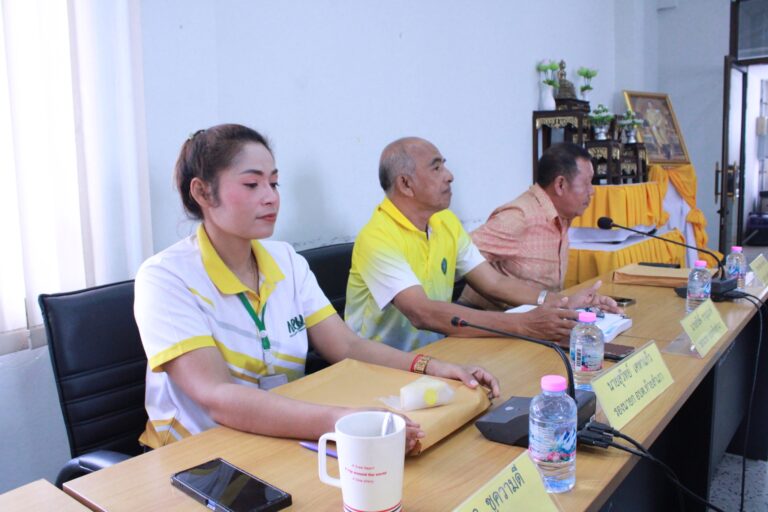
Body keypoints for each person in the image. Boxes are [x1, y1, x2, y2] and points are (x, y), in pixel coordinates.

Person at [134, 124, 499, 452]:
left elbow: (347, 346)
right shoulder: (166, 278)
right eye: (252, 184)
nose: (271, 197)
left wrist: (430, 366)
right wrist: (342, 422)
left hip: (280, 435)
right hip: (198, 455)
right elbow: (217, 396)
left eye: (274, 183)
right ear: (202, 192)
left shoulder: (286, 261)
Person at [345, 137, 618, 352]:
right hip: (379, 366)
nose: (449, 175)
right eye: (436, 168)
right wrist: (523, 324)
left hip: (439, 354)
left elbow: (493, 283)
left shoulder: (445, 222)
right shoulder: (377, 238)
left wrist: (561, 302)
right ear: (405, 184)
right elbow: (422, 313)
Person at [459, 142, 596, 309]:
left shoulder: (563, 216)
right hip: (492, 318)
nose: (592, 191)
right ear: (560, 184)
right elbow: (459, 254)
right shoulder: (519, 216)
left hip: (540, 315)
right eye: (586, 183)